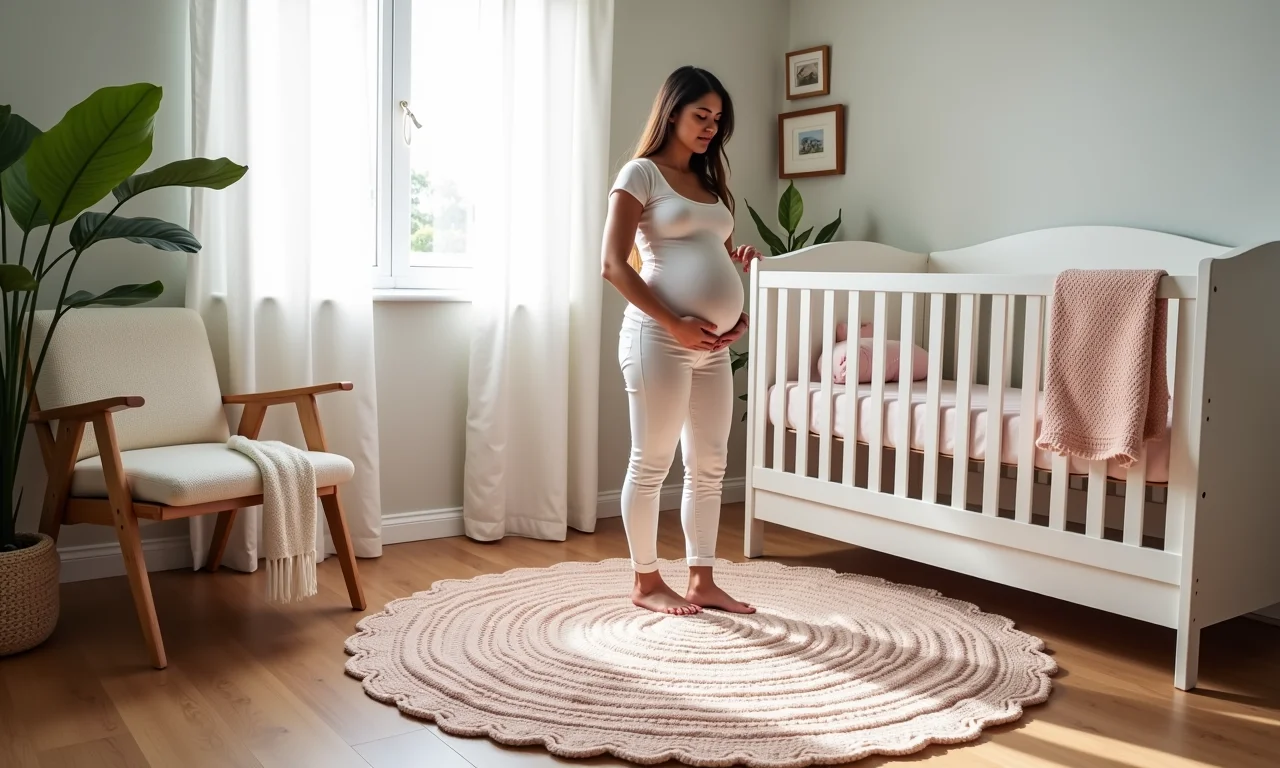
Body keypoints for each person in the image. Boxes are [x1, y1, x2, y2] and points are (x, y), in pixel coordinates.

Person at [600, 66, 762, 616]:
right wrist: (676, 323)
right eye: (702, 115)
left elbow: (711, 258)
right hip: (658, 339)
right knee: (651, 463)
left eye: (718, 119)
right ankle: (646, 582)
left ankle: (701, 580)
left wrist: (734, 307)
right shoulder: (641, 173)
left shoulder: (711, 185)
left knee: (710, 463)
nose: (712, 127)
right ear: (672, 113)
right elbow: (613, 265)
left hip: (712, 347)